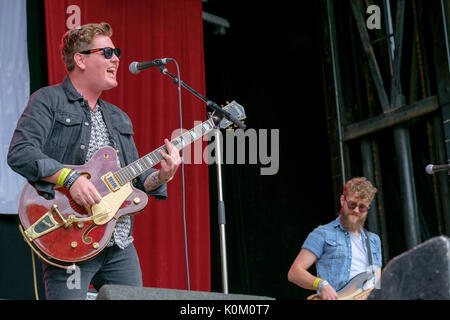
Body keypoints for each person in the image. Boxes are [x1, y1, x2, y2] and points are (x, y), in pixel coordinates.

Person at [7, 22, 181, 300]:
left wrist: (162, 175)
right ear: (81, 59)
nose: (116, 59)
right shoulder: (48, 101)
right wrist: (69, 179)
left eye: (117, 52)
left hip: (119, 242)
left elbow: (136, 182)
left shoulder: (118, 117)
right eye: (108, 52)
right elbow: (21, 152)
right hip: (70, 235)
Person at [287, 177, 382, 300]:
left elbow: (377, 282)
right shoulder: (323, 233)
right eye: (352, 204)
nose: (356, 211)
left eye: (362, 207)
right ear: (343, 200)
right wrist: (321, 284)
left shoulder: (374, 240)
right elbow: (294, 273)